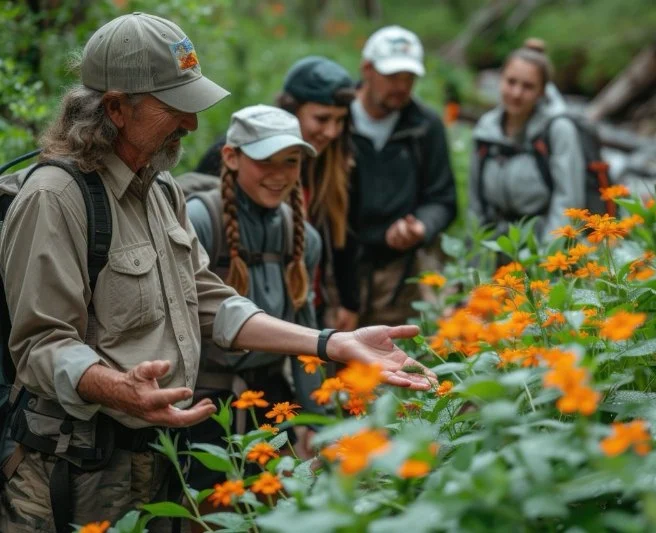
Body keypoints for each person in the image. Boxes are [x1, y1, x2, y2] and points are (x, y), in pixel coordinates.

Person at [0, 13, 434, 532]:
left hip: (156, 460)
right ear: (116, 108)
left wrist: (331, 343)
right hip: (74, 474)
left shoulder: (160, 189)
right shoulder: (55, 198)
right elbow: (41, 344)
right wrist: (117, 387)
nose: (191, 124)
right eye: (174, 107)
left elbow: (211, 301)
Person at [186, 104, 323, 472]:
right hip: (206, 403)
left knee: (273, 496)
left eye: (291, 162)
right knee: (211, 504)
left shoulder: (304, 239)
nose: (279, 175)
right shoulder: (199, 220)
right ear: (231, 157)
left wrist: (320, 422)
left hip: (272, 401)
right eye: (266, 161)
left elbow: (305, 335)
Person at [194, 57, 361, 332]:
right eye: (321, 119)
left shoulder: (341, 160)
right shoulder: (236, 153)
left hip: (300, 298)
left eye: (340, 120)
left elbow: (346, 236)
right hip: (237, 301)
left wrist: (349, 301)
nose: (331, 132)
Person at [350, 25, 457, 326]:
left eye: (409, 78)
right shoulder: (335, 120)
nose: (401, 86)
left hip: (400, 273)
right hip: (342, 264)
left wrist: (420, 226)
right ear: (367, 69)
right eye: (393, 76)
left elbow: (443, 199)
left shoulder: (425, 126)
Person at [468, 39, 585, 242]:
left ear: (542, 91)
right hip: (497, 244)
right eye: (511, 82)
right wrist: (475, 251)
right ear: (500, 80)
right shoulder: (485, 130)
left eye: (528, 86)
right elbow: (475, 203)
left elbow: (568, 203)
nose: (516, 93)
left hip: (542, 245)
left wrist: (548, 255)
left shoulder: (558, 130)